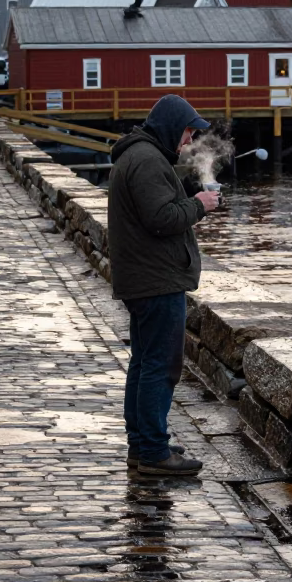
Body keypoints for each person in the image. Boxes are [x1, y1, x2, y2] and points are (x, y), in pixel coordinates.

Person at [108, 94, 220, 476]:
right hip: (156, 279)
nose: (188, 141)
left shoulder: (140, 156)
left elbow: (155, 210)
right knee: (160, 366)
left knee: (144, 364)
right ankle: (154, 452)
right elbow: (160, 219)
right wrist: (200, 205)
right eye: (188, 132)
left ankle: (144, 445)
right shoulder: (148, 160)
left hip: (143, 277)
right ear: (172, 126)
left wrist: (188, 199)